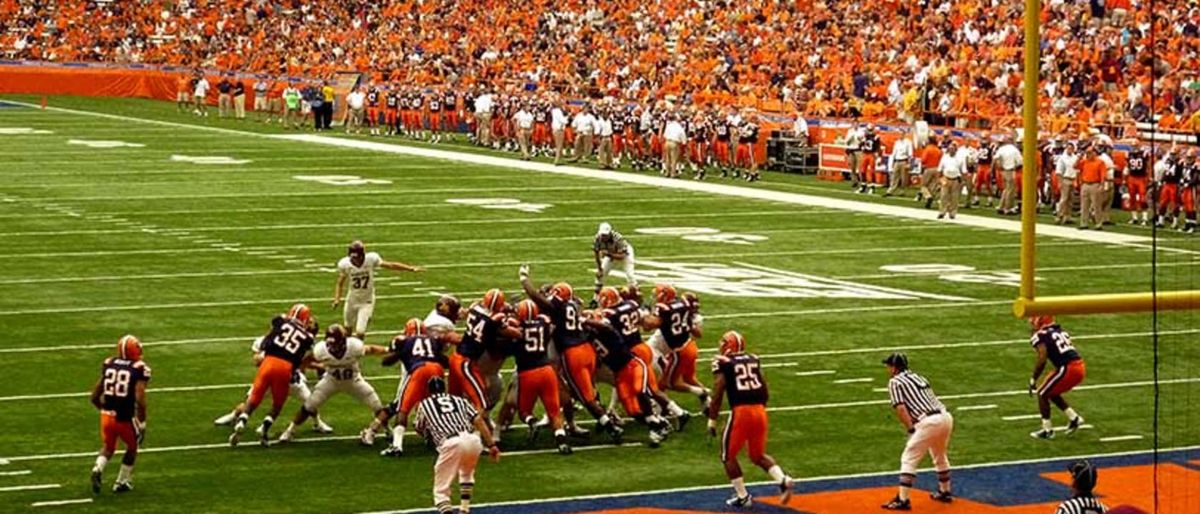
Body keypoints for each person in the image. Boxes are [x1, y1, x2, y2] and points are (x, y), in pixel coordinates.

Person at [518, 266, 624, 441]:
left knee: (584, 396)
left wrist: (524, 279)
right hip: (587, 350)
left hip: (572, 353)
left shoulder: (556, 306)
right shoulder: (573, 305)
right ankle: (604, 420)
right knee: (588, 391)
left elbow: (537, 299)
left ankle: (610, 426)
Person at [705, 331, 795, 508]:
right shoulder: (753, 358)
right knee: (757, 455)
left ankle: (743, 496)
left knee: (727, 455)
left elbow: (718, 390)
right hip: (760, 410)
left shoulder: (723, 362)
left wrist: (712, 419)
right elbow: (764, 386)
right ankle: (782, 479)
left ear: (727, 345)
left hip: (741, 411)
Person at [278, 325, 389, 443]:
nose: (333, 347)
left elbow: (370, 349)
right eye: (330, 344)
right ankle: (290, 430)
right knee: (309, 405)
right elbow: (308, 360)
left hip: (353, 381)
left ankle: (388, 429)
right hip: (331, 381)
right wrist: (296, 368)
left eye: (336, 344)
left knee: (376, 405)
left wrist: (388, 350)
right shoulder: (321, 349)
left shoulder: (354, 346)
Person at [227, 304, 318, 447]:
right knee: (277, 404)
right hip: (285, 367)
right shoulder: (308, 338)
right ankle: (264, 428)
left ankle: (242, 420)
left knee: (255, 397)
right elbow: (302, 359)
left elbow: (271, 334)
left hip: (268, 362)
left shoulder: (280, 320)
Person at [414, 376, 501, 514]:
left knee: (440, 491)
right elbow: (478, 420)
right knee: (466, 474)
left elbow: (419, 427)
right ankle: (465, 509)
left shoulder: (425, 404)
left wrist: (430, 435)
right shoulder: (460, 400)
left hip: (451, 442)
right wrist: (491, 445)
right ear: (445, 388)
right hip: (473, 440)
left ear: (429, 391)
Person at [881, 352, 954, 510]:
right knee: (940, 454)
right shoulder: (919, 377)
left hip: (928, 421)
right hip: (945, 417)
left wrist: (910, 428)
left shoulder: (895, 382)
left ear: (894, 368)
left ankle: (903, 500)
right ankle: (945, 491)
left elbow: (900, 407)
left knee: (909, 458)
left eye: (888, 366)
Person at [371, 319, 451, 457]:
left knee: (403, 408)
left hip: (419, 370)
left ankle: (397, 446)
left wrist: (400, 354)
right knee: (436, 405)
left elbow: (387, 361)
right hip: (436, 369)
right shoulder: (433, 339)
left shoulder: (404, 341)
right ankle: (441, 439)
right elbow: (444, 361)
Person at [505, 300, 572, 454]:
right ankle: (561, 441)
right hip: (546, 370)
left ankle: (532, 421)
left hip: (527, 373)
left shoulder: (517, 328)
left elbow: (509, 344)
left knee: (524, 412)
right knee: (554, 411)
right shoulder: (544, 323)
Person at [90, 335, 150, 494]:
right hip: (125, 416)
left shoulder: (109, 363)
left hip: (106, 415)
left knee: (108, 447)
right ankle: (121, 482)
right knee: (132, 447)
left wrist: (103, 408)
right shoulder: (138, 368)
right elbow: (140, 399)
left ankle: (98, 468)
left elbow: (94, 396)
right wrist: (142, 421)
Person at [332, 240, 424, 339]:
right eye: (354, 259)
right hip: (352, 300)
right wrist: (337, 298)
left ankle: (358, 349)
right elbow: (340, 282)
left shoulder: (371, 259)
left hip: (366, 301)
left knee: (360, 332)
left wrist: (410, 268)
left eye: (358, 258)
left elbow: (390, 265)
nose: (356, 261)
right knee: (347, 329)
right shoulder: (345, 264)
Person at [1028, 316, 1086, 439]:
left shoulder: (1041, 335)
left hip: (1068, 368)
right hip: (1078, 366)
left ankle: (1047, 430)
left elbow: (1042, 358)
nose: (1032, 321)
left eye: (1035, 319)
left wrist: (1034, 378)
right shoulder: (1059, 331)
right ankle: (1074, 418)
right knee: (1050, 392)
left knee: (1042, 393)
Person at [592, 222, 636, 302]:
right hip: (611, 253)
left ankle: (635, 297)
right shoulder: (598, 238)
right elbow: (596, 253)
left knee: (630, 275)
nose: (604, 237)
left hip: (625, 255)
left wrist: (608, 254)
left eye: (605, 235)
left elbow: (622, 256)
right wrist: (599, 269)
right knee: (600, 275)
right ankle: (595, 299)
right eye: (602, 235)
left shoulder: (618, 239)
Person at [1076, 146, 1108, 230]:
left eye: (1089, 153)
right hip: (1085, 184)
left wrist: (1102, 185)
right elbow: (1075, 166)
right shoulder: (1084, 161)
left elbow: (1103, 175)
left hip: (1095, 184)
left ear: (1094, 153)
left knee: (1096, 205)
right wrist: (1078, 158)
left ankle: (1098, 223)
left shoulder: (1100, 162)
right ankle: (1084, 223)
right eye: (1087, 153)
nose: (1088, 155)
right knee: (1084, 205)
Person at [937, 141, 966, 220]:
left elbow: (963, 170)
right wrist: (940, 179)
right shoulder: (944, 157)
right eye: (950, 149)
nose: (951, 150)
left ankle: (952, 213)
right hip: (946, 178)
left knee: (954, 197)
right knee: (943, 196)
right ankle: (942, 212)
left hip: (955, 179)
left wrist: (963, 181)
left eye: (953, 149)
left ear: (956, 150)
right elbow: (940, 168)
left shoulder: (960, 158)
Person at [994, 136, 1023, 215]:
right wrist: (1015, 166)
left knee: (1006, 189)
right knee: (1010, 190)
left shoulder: (1002, 149)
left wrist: (999, 166)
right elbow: (1020, 162)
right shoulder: (1014, 150)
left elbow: (996, 159)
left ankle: (1001, 206)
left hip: (1003, 171)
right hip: (1010, 170)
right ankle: (1008, 208)